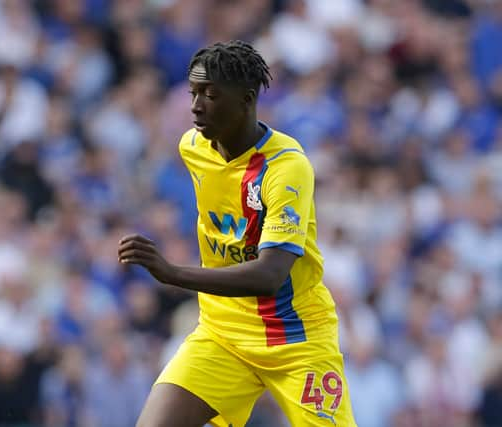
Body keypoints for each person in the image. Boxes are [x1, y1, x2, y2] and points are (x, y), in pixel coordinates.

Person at [118, 40, 357, 427]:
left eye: (211, 95)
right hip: (222, 333)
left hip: (296, 339)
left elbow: (269, 275)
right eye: (193, 92)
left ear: (247, 100)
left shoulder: (286, 166)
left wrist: (171, 272)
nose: (195, 105)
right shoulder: (192, 147)